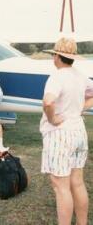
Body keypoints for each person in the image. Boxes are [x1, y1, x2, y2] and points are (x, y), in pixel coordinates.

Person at [40, 37, 93, 225]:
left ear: (56, 56)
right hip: (78, 130)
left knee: (61, 187)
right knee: (77, 182)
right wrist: (80, 109)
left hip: (61, 134)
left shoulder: (57, 77)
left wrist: (53, 118)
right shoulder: (80, 75)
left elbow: (48, 101)